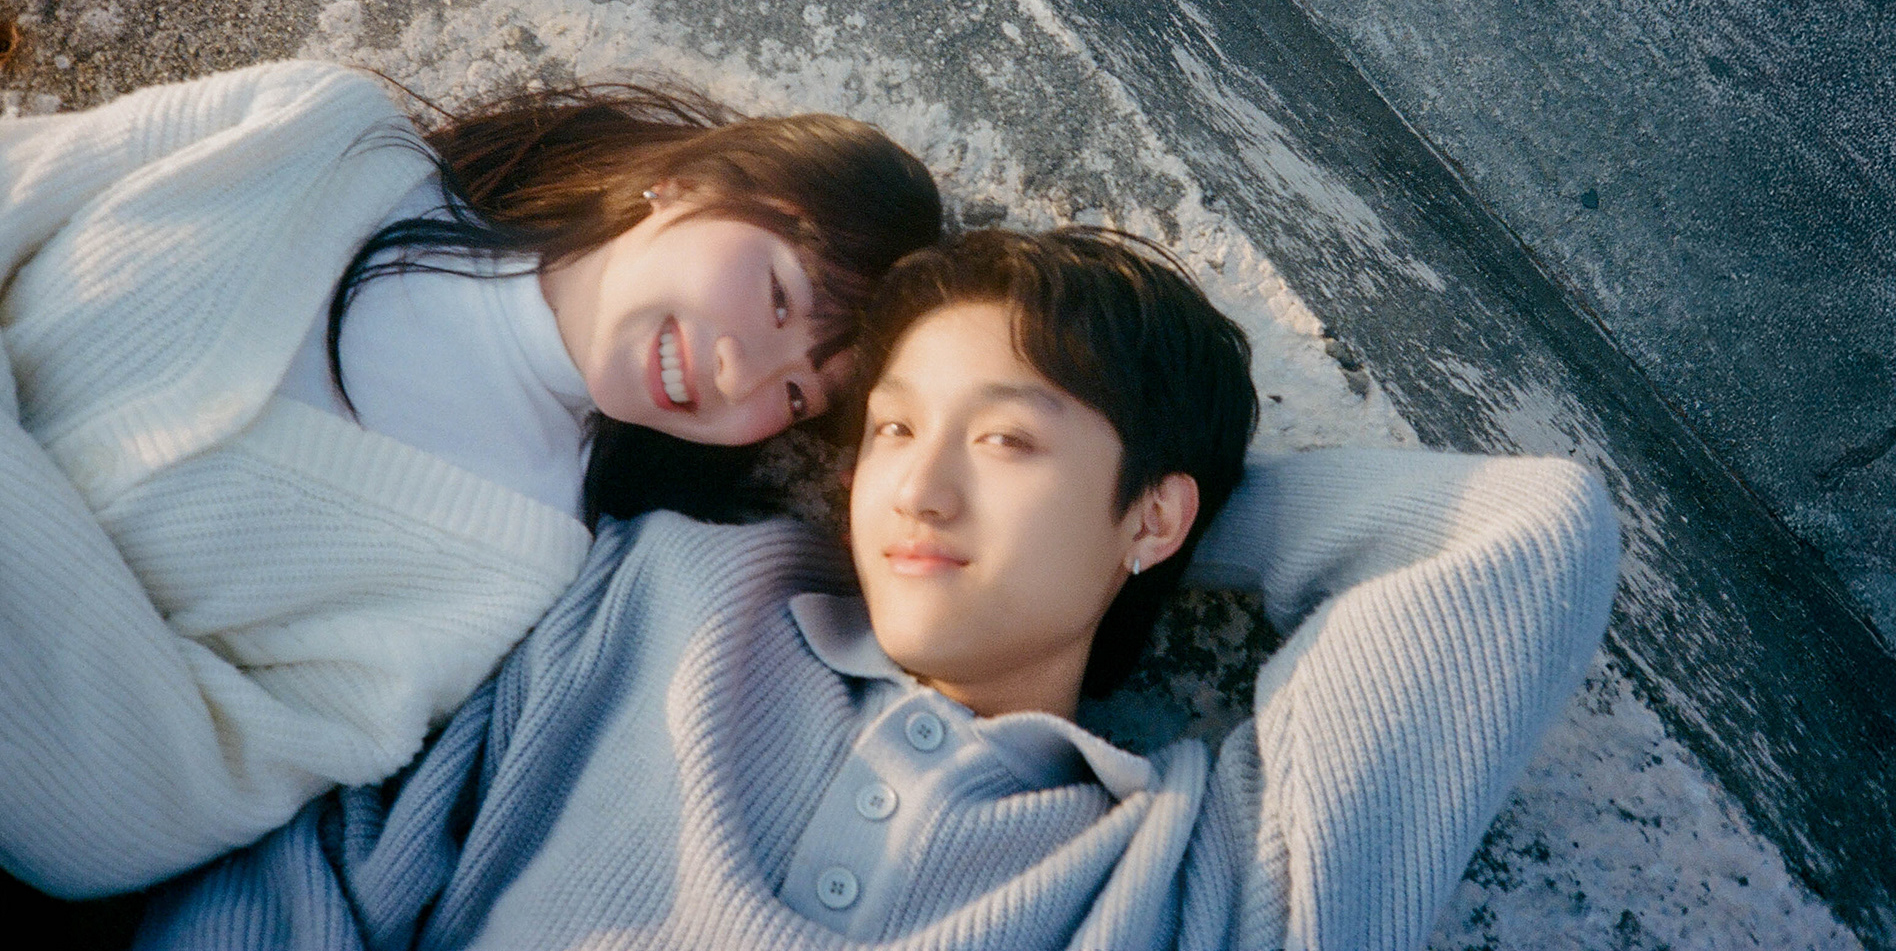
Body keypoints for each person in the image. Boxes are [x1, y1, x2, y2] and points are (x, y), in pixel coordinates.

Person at [141, 227, 1619, 951]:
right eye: (896, 431)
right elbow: (314, 884)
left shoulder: (1191, 877)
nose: (916, 489)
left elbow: (1526, 538)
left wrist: (1184, 509)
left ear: (1155, 513)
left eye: (1006, 441)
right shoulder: (672, 601)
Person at [0, 58, 941, 898]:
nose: (741, 377)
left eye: (795, 395)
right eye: (777, 294)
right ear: (689, 181)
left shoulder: (514, 567)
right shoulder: (321, 132)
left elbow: (130, 808)